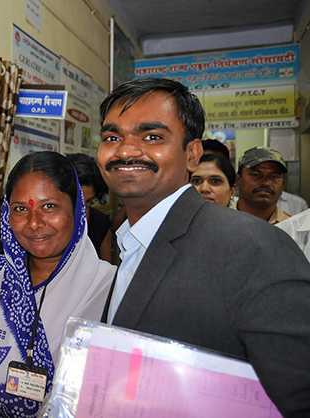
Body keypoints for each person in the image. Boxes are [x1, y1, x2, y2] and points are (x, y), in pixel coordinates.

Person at [97, 77, 310, 417]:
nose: (125, 150)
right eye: (112, 137)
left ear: (192, 154)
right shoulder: (128, 244)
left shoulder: (255, 248)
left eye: (152, 137)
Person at [0, 151, 115, 417]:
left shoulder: (109, 288)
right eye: (20, 209)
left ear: (77, 209)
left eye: (49, 207)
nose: (34, 223)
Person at [66, 153, 112, 261]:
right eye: (75, 203)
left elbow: (107, 274)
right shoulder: (44, 225)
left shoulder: (100, 224)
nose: (82, 214)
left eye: (88, 203)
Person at [236, 147, 290, 224]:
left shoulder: (292, 228)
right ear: (238, 179)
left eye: (274, 176)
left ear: (283, 184)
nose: (266, 183)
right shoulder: (220, 220)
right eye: (256, 175)